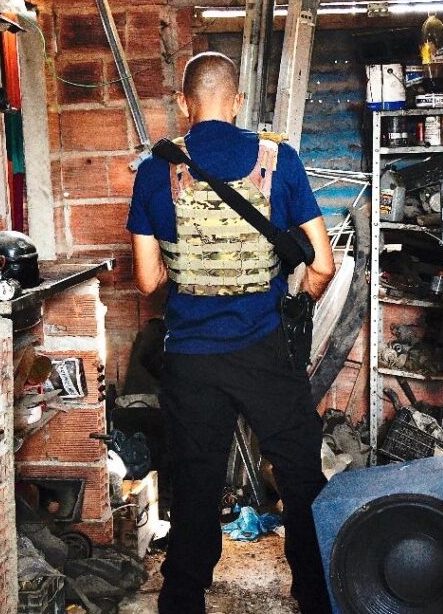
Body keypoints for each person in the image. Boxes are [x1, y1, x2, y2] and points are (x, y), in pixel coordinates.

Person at [126, 51, 336, 614]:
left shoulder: (155, 170)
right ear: (238, 101)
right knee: (299, 475)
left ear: (183, 103)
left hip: (190, 358)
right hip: (265, 350)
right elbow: (322, 265)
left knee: (196, 481)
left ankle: (183, 600)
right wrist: (297, 307)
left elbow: (147, 280)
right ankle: (317, 595)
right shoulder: (279, 159)